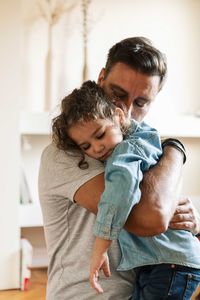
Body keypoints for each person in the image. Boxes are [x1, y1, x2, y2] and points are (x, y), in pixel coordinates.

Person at [38, 37, 200, 300]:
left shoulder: (135, 147)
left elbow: (166, 208)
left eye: (141, 103)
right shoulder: (66, 153)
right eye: (118, 94)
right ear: (101, 78)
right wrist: (175, 150)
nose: (124, 110)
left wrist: (192, 222)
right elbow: (152, 216)